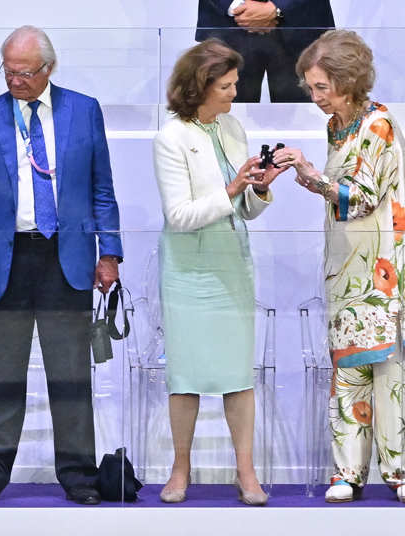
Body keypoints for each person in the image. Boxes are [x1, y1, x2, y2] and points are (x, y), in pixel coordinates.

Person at [0, 26, 123, 506]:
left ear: (48, 69)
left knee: (70, 373)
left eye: (25, 73)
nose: (16, 81)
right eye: (8, 72)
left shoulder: (84, 110)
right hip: (4, 259)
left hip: (65, 257)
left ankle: (78, 475)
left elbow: (102, 188)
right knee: (0, 374)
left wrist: (108, 252)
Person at [274, 30, 405, 504]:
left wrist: (313, 177)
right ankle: (347, 472)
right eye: (311, 88)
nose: (314, 97)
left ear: (348, 81)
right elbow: (340, 195)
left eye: (321, 88)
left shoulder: (378, 124)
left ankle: (398, 471)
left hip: (380, 265)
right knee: (348, 370)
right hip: (344, 265)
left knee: (388, 369)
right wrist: (315, 179)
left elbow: (362, 198)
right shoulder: (337, 125)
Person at [152, 38, 285, 505]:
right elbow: (180, 215)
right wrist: (232, 188)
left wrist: (259, 188)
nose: (234, 92)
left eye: (234, 84)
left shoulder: (232, 128)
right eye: (226, 86)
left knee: (237, 375)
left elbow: (242, 210)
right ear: (200, 86)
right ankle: (180, 468)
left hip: (232, 265)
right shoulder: (172, 137)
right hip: (189, 271)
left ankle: (245, 472)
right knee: (185, 376)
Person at [181, 0, 335, 102]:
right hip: (227, 29)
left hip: (300, 27)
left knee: (302, 121)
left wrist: (276, 7)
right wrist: (237, 5)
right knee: (222, 120)